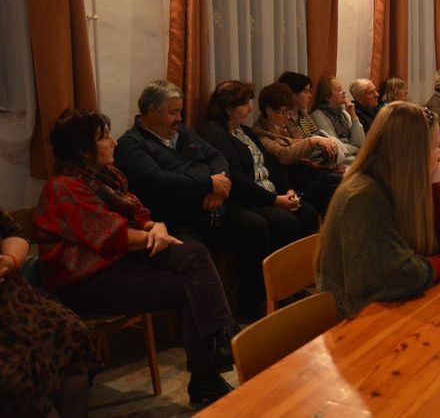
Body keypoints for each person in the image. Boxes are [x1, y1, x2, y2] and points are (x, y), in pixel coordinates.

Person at [36, 109, 238, 407]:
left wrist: (154, 226)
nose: (113, 142)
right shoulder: (62, 188)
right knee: (191, 286)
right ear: (82, 150)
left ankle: (216, 352)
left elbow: (138, 213)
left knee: (194, 253)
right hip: (87, 282)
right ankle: (212, 364)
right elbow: (110, 235)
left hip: (121, 262)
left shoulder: (105, 177)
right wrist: (154, 235)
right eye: (103, 138)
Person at [114, 80, 273, 318]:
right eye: (173, 112)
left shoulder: (183, 132)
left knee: (256, 227)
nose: (179, 118)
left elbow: (217, 157)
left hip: (211, 208)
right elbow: (160, 181)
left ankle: (251, 304)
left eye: (180, 111)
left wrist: (216, 187)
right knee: (194, 252)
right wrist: (208, 183)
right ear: (152, 110)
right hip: (175, 218)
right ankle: (211, 324)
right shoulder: (131, 144)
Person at [318, 102, 440, 318]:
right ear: (413, 152)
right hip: (360, 319)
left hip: (395, 306)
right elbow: (394, 275)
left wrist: (434, 186)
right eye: (435, 146)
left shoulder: (403, 182)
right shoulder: (363, 196)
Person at [1, 207, 101, 418]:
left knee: (71, 331)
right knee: (13, 376)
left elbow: (14, 233)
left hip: (12, 295)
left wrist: (10, 260)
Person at [200, 80, 319, 239]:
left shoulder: (244, 130)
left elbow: (272, 163)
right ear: (228, 108)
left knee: (308, 212)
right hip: (249, 199)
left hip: (271, 192)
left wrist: (288, 190)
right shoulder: (214, 134)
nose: (250, 109)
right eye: (245, 104)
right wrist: (275, 200)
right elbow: (237, 178)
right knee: (286, 222)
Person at [251, 83, 343, 214]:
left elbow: (301, 148)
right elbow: (283, 156)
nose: (288, 117)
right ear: (269, 111)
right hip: (288, 179)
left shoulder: (288, 126)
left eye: (289, 112)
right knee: (333, 186)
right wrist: (312, 141)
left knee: (341, 181)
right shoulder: (260, 133)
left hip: (306, 172)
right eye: (284, 112)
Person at [277, 71, 351, 164]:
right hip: (304, 165)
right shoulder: (283, 119)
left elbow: (319, 136)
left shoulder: (304, 116)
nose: (310, 95)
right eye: (306, 91)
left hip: (321, 159)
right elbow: (297, 151)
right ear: (293, 94)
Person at [311, 75, 365, 161]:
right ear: (327, 97)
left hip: (353, 156)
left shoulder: (343, 113)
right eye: (339, 90)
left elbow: (360, 142)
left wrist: (353, 116)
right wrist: (357, 149)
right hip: (341, 160)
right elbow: (335, 147)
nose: (344, 92)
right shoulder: (318, 115)